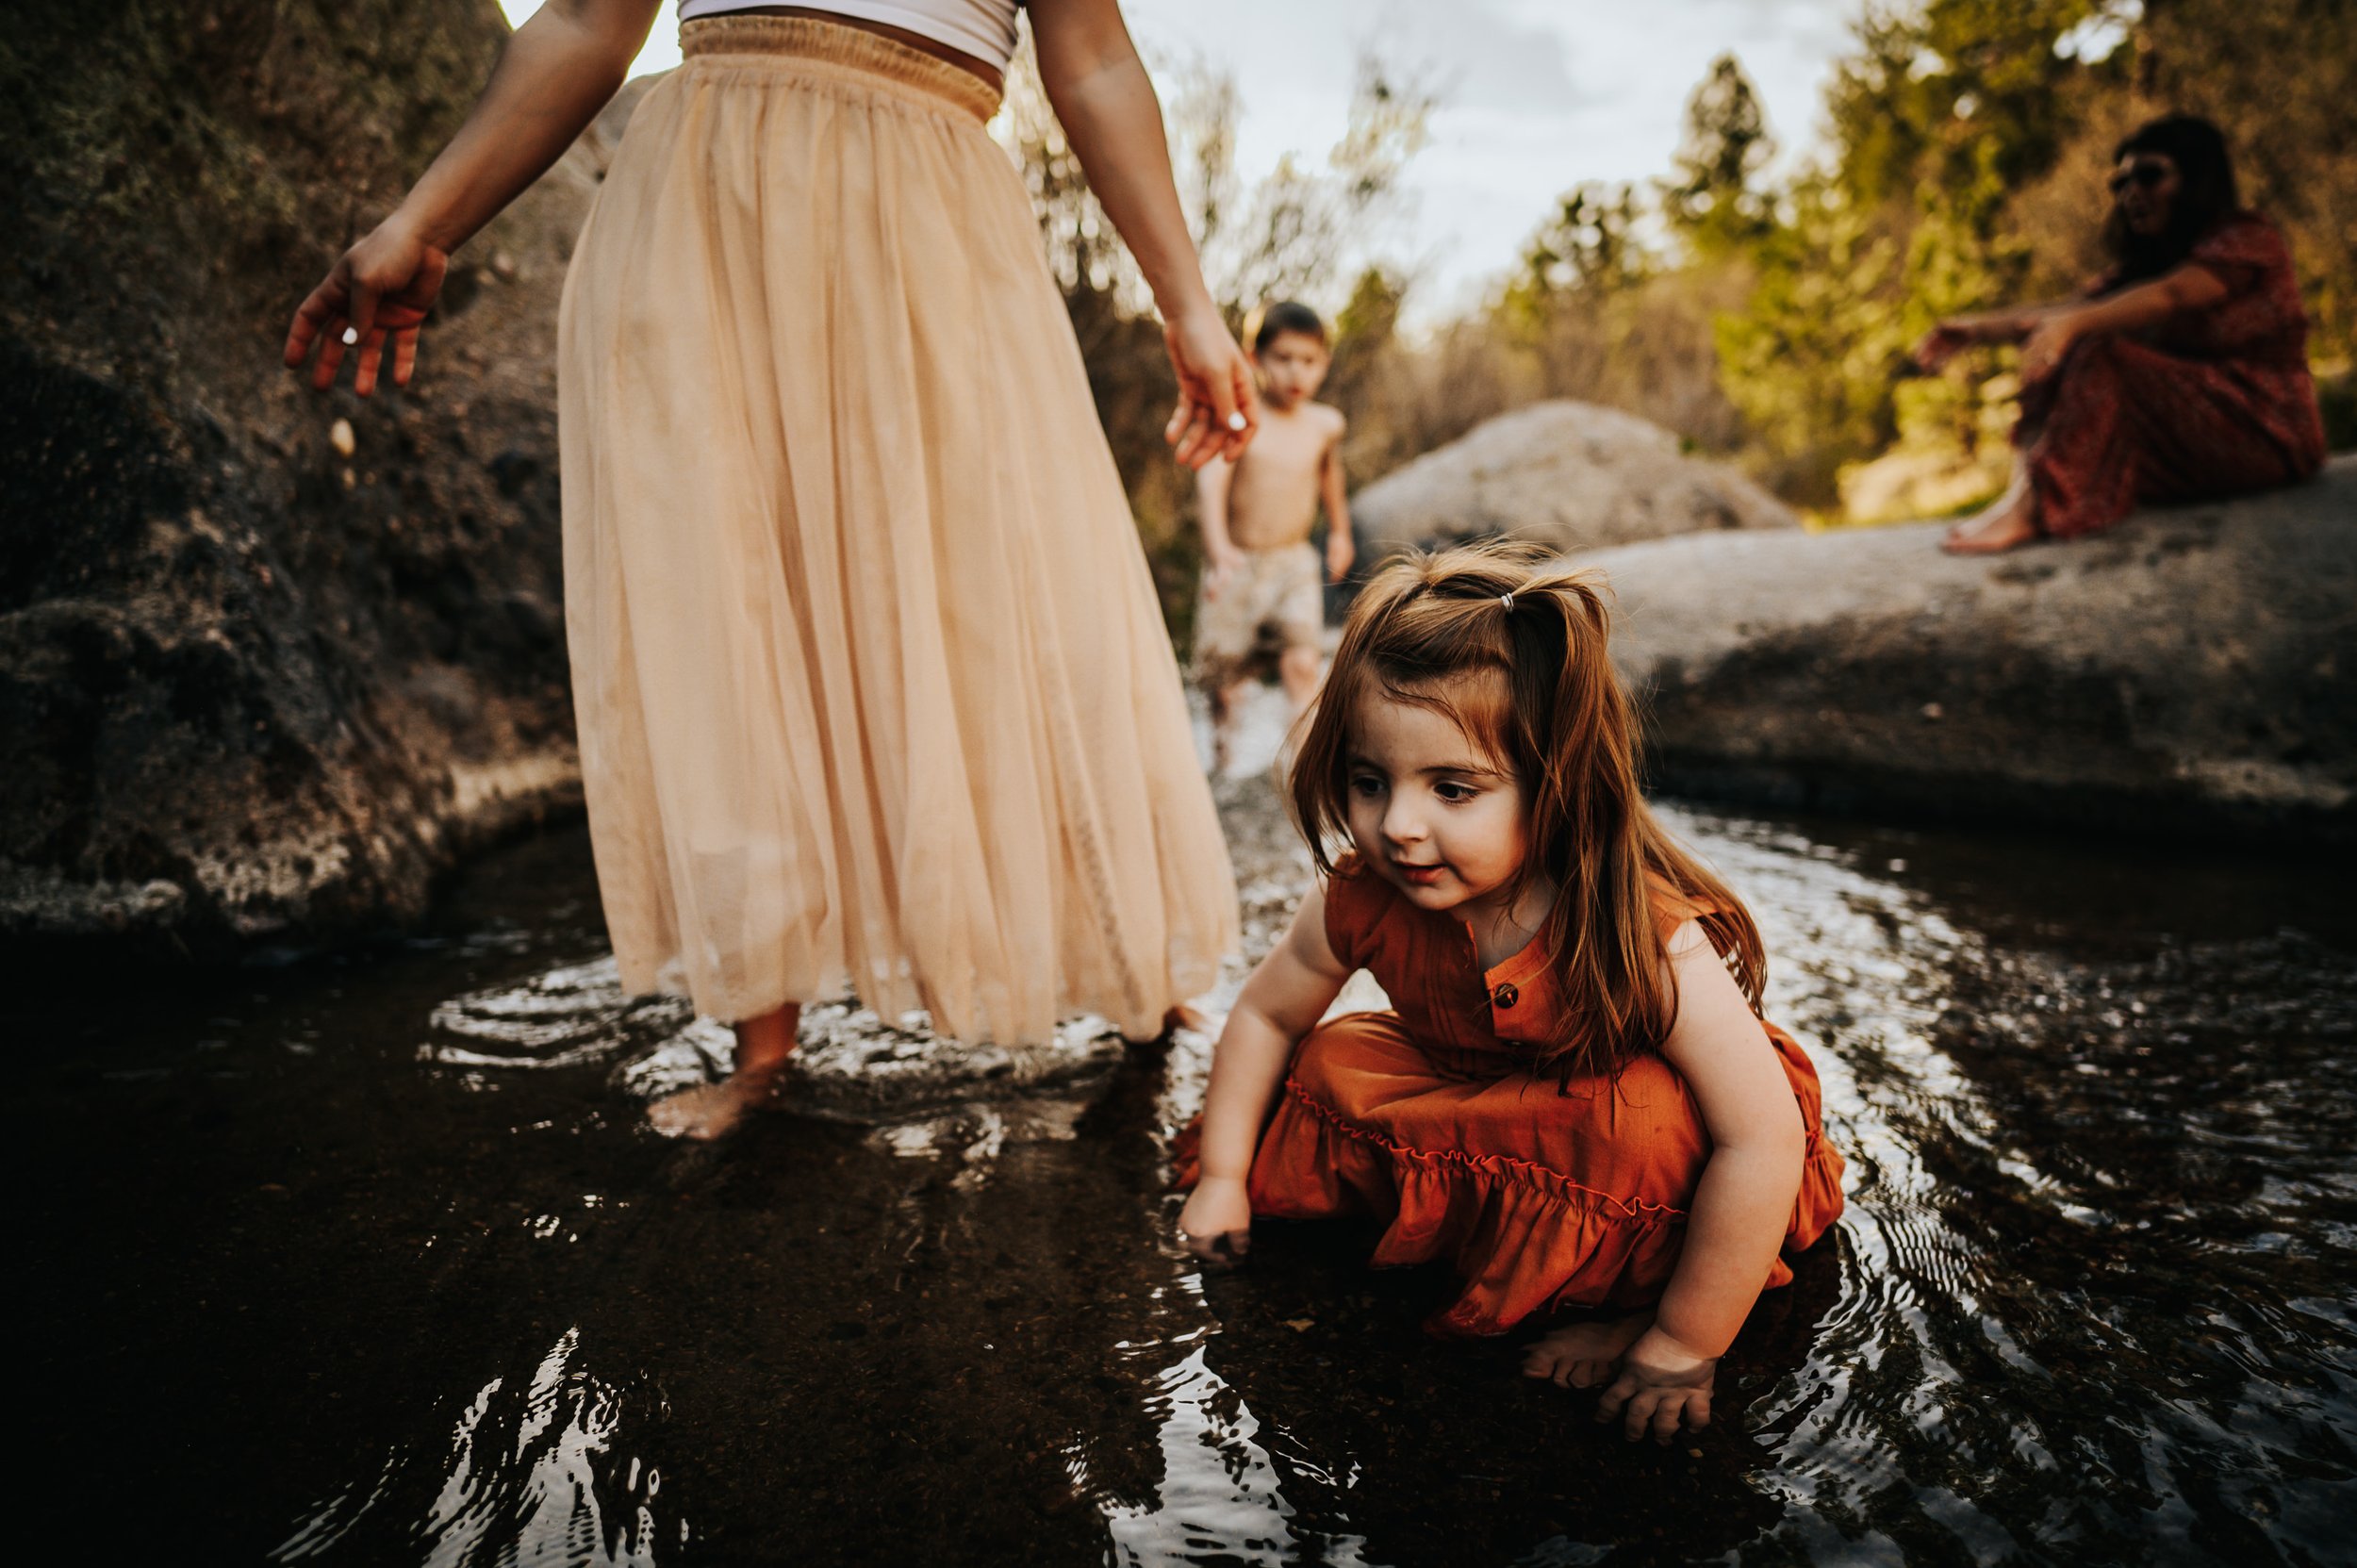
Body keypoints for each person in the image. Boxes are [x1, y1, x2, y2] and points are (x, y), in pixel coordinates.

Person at [284, 0, 1256, 1138]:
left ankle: (1136, 966)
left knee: (1017, 582)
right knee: (725, 602)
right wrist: (426, 221)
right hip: (705, 207)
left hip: (931, 210)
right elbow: (593, 23)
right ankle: (764, 1040)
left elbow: (1090, 60)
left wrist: (1186, 301)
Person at [1174, 545, 1846, 1443]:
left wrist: (1680, 1346)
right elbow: (1265, 1011)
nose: (1398, 825)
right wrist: (1222, 1177)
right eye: (1370, 781)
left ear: (1557, 787)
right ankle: (1468, 1230)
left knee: (1648, 1130)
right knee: (1330, 1055)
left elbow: (1762, 1139)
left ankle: (1638, 1301)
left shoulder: (1630, 928)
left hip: (1613, 1144)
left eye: (1454, 788)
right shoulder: (1366, 889)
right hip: (1475, 1096)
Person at [1916, 114, 2326, 554]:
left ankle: (2031, 510)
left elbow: (2170, 295)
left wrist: (2073, 326)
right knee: (2058, 348)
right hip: (2192, 447)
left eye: (2149, 175)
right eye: (2121, 182)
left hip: (2271, 436)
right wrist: (1974, 330)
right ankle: (2021, 496)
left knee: (2097, 348)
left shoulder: (2247, 238)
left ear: (2196, 179)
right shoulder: (2142, 270)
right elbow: (2061, 313)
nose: (2132, 192)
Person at [1193, 301, 1353, 774]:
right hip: (1237, 563)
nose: (1295, 373)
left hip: (1292, 563)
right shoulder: (1241, 420)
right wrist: (1218, 548)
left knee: (1302, 661)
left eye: (1308, 361)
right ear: (1255, 358)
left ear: (1323, 363)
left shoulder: (1324, 425)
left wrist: (1340, 532)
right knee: (1225, 680)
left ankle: (1303, 762)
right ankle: (1224, 760)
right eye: (1282, 358)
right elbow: (1211, 481)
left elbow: (1330, 478)